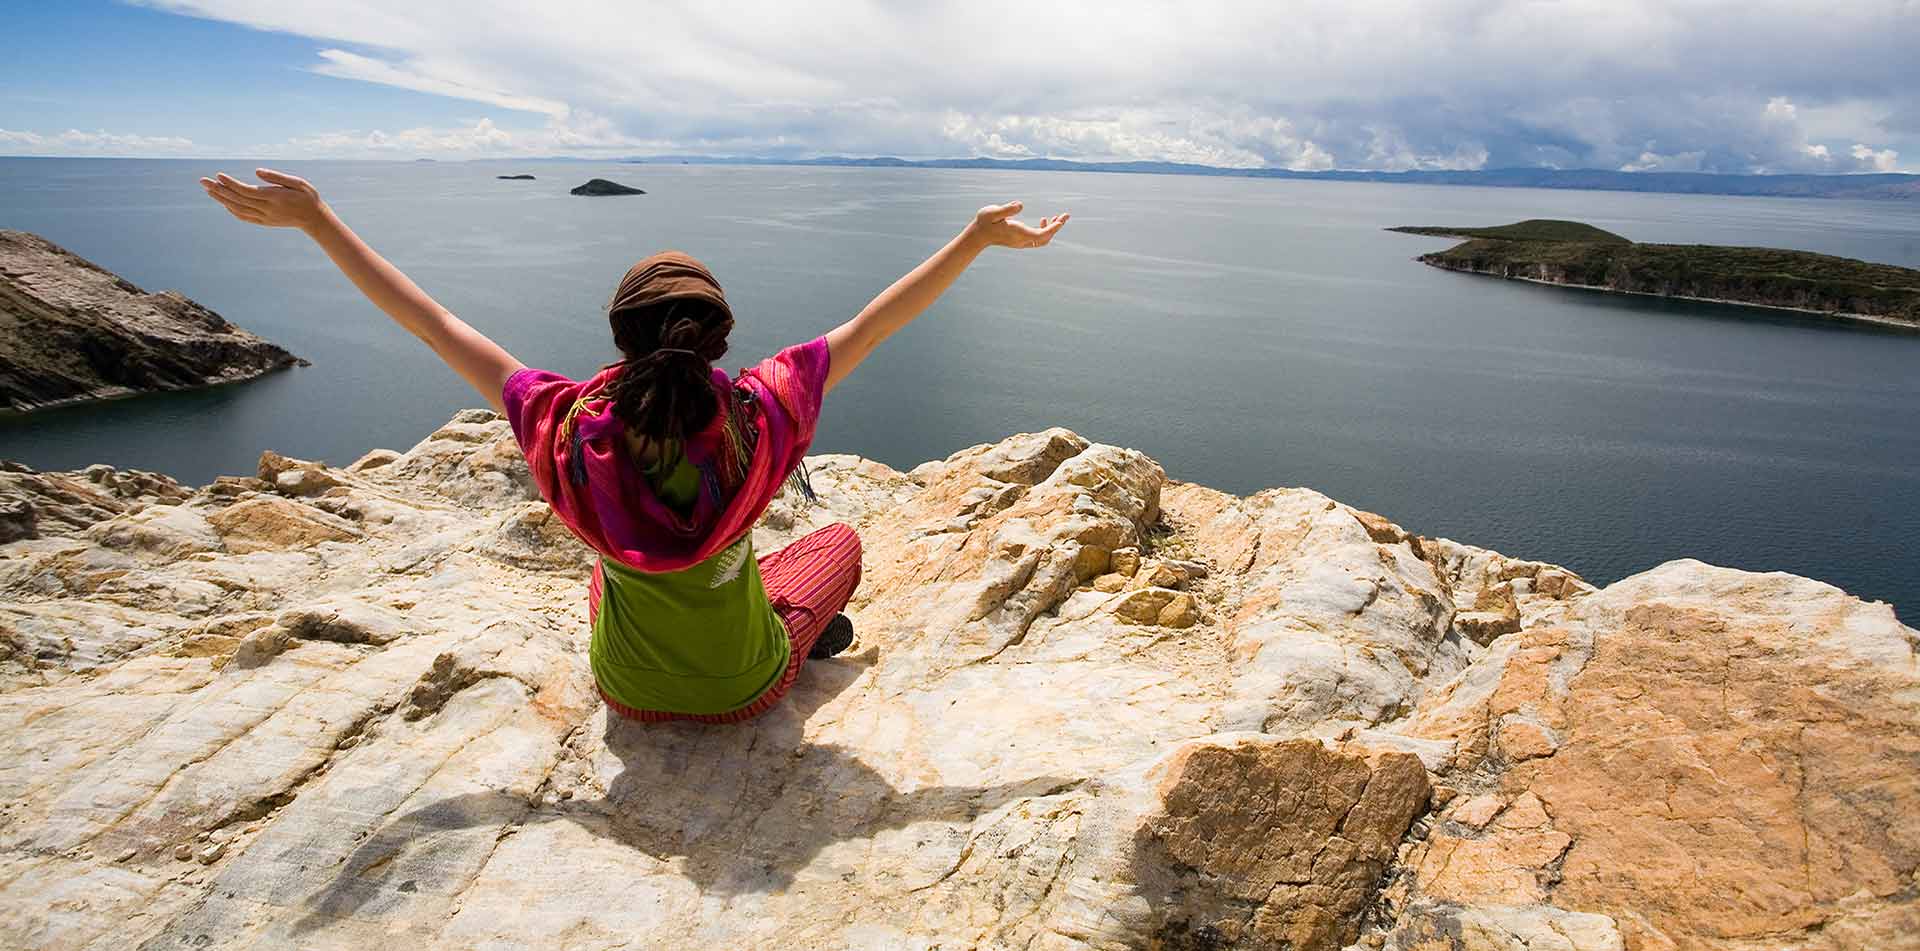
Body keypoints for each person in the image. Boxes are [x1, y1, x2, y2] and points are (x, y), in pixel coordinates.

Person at [199, 167, 1068, 724]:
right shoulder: (756, 417)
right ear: (718, 339)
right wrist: (977, 238)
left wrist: (319, 222)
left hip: (625, 688)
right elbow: (874, 327)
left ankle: (733, 625)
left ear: (621, 338)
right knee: (834, 543)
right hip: (744, 690)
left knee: (604, 571)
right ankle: (798, 644)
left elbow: (433, 325)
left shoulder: (569, 427)